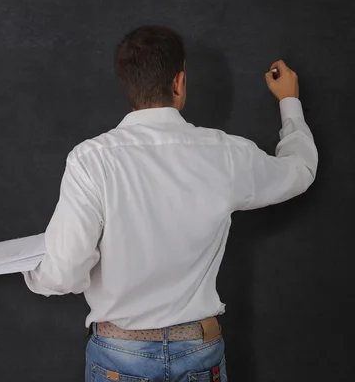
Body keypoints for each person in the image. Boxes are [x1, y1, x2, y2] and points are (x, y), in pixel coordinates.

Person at [22, 25, 318, 382]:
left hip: (118, 357)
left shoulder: (90, 159)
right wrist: (289, 101)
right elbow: (300, 171)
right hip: (199, 351)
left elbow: (64, 272)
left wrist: (36, 272)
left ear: (128, 86)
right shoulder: (224, 153)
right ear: (179, 83)